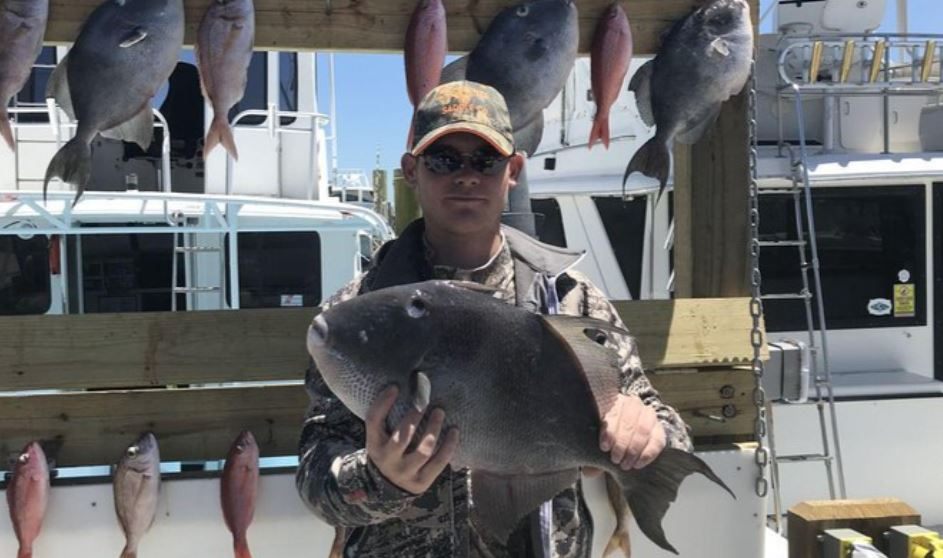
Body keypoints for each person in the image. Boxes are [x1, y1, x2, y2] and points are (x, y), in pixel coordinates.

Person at [296, 81, 693, 558]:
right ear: (411, 171)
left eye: (485, 161)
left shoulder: (571, 299)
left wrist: (646, 428)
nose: (466, 176)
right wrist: (379, 479)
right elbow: (316, 474)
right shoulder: (357, 319)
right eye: (444, 159)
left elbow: (665, 423)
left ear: (513, 172)